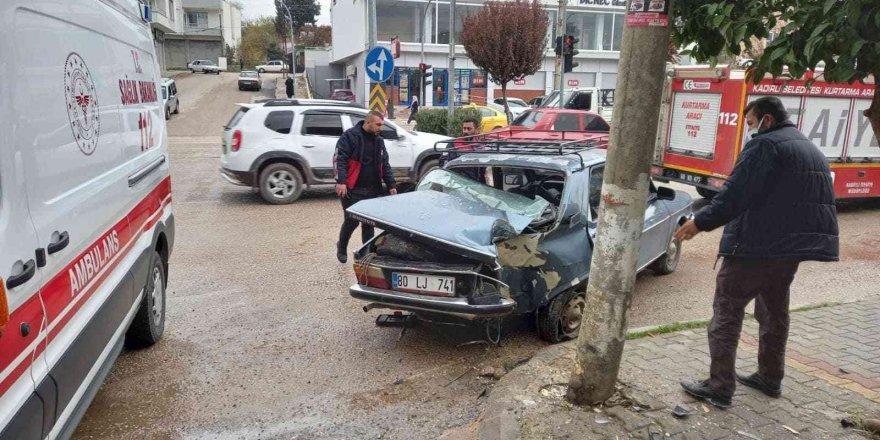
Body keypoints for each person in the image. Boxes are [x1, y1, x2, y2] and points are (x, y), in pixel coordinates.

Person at [674, 96, 839, 408]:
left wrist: (700, 222)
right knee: (774, 311)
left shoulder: (765, 144)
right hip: (788, 252)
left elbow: (735, 194)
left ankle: (720, 387)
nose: (749, 131)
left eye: (750, 124)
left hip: (755, 249)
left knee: (726, 310)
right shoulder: (807, 146)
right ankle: (770, 378)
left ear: (767, 120)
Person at [334, 110, 398, 263]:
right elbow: (340, 159)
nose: (380, 128)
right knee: (351, 221)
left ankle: (366, 252)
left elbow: (385, 164)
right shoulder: (349, 137)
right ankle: (342, 246)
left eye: (382, 125)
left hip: (372, 189)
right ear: (368, 122)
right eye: (378, 124)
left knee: (368, 223)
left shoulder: (379, 141)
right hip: (352, 188)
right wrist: (341, 181)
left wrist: (391, 185)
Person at [438, 118, 485, 183]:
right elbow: (443, 163)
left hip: (475, 184)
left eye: (469, 129)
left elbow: (484, 171)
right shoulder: (453, 144)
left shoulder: (480, 146)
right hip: (457, 184)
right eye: (464, 128)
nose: (465, 131)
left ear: (476, 130)